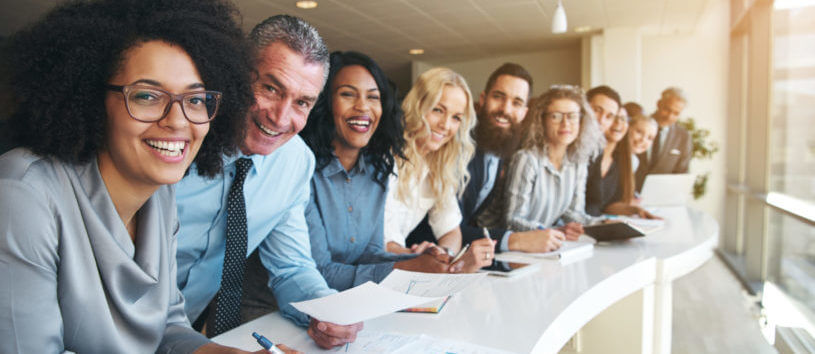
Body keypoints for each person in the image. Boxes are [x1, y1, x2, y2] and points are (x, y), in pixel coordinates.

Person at [0, 0, 272, 352]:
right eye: (147, 95)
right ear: (91, 98)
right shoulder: (23, 195)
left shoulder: (159, 195)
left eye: (195, 99)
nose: (177, 121)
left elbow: (166, 327)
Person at [174, 15, 361, 349]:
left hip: (185, 335)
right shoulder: (177, 139)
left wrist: (326, 309)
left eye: (302, 102)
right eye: (271, 89)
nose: (280, 117)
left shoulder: (295, 162)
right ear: (237, 74)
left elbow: (291, 267)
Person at [299, 51, 454, 291]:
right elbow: (319, 271)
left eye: (373, 97)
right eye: (348, 94)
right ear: (325, 102)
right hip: (278, 311)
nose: (363, 107)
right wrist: (404, 269)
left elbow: (369, 253)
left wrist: (423, 260)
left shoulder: (376, 172)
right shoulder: (304, 171)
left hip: (344, 304)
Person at [383, 67, 493, 272]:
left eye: (456, 117)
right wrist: (421, 256)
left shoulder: (437, 166)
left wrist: (445, 253)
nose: (445, 125)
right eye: (438, 110)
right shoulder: (384, 158)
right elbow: (381, 243)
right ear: (418, 106)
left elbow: (451, 231)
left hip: (400, 270)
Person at [479, 86, 604, 240]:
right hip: (507, 246)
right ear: (542, 120)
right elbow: (512, 220)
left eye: (572, 116)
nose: (565, 124)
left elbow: (573, 213)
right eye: (556, 116)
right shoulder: (526, 159)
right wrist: (552, 231)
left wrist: (603, 223)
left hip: (546, 245)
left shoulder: (579, 162)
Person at [635, 87, 692, 190]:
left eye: (676, 113)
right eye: (667, 109)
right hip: (629, 194)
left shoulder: (683, 137)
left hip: (662, 196)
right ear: (659, 104)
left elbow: (682, 174)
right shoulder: (637, 125)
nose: (670, 116)